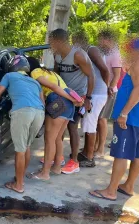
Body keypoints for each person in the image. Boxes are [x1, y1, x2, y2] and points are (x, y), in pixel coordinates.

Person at [89, 38, 139, 201]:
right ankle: (128, 186)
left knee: (121, 154)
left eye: (129, 49)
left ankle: (111, 191)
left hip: (131, 119)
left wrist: (124, 113)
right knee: (138, 155)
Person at [0, 55, 45, 193]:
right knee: (27, 146)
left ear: (12, 66)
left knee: (20, 149)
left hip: (22, 112)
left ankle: (18, 185)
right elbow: (42, 102)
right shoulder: (35, 82)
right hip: (39, 113)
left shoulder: (9, 76)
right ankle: (20, 179)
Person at [26, 58, 83, 180]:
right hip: (68, 104)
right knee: (58, 138)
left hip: (58, 100)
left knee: (49, 140)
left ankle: (44, 173)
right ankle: (56, 167)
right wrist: (73, 100)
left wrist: (71, 98)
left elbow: (53, 87)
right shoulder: (51, 73)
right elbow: (66, 88)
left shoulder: (35, 72)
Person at [49, 29, 95, 174]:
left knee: (72, 127)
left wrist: (88, 98)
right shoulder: (56, 54)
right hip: (62, 95)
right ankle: (58, 157)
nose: (49, 44)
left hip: (78, 97)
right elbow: (56, 73)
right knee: (59, 126)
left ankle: (74, 161)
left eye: (51, 41)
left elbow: (91, 76)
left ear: (59, 41)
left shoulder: (78, 55)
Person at [72, 31, 110, 165]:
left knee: (90, 125)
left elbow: (105, 70)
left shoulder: (91, 50)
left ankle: (89, 157)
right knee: (87, 124)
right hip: (93, 93)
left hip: (96, 94)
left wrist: (108, 86)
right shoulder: (86, 51)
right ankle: (86, 152)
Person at [95, 29, 122, 155]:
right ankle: (93, 146)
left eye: (101, 39)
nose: (99, 42)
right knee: (96, 119)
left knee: (102, 119)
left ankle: (100, 149)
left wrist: (110, 88)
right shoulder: (102, 52)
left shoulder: (115, 54)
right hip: (99, 89)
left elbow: (117, 75)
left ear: (107, 40)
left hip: (109, 91)